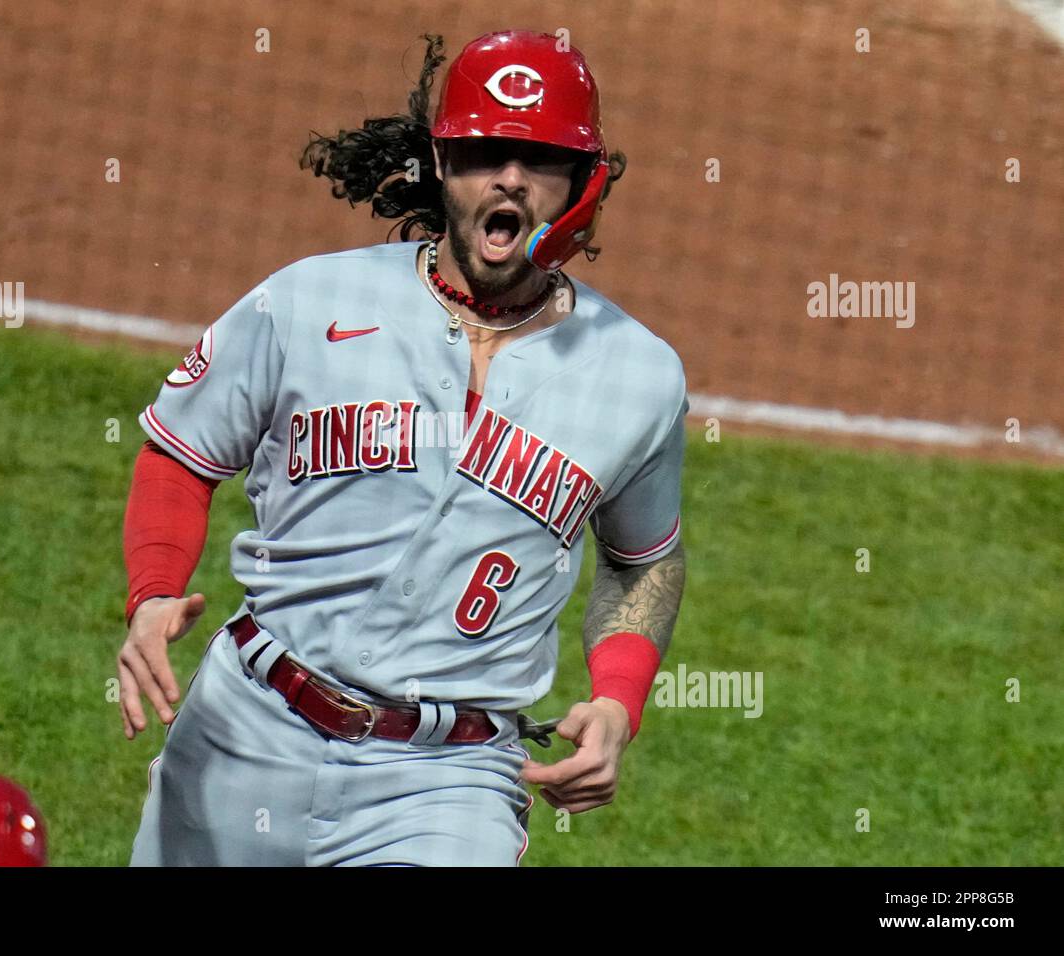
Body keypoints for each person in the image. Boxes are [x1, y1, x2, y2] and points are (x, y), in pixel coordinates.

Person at [119, 31, 688, 866]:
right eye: (482, 153)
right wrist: (152, 593)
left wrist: (616, 702)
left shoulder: (636, 376)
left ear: (583, 185)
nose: (509, 179)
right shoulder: (310, 302)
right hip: (246, 731)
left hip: (447, 786)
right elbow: (185, 450)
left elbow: (643, 560)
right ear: (440, 167)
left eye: (538, 159)